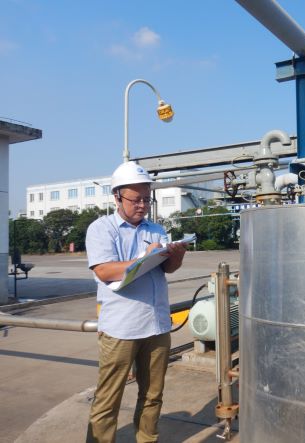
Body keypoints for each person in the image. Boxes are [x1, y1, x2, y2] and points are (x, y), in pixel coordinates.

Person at [85, 161, 186, 443]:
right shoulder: (101, 229)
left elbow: (167, 269)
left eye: (146, 199)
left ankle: (147, 439)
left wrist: (176, 255)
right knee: (108, 399)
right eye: (135, 199)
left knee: (153, 395)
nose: (142, 205)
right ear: (117, 197)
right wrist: (144, 257)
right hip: (121, 329)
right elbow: (104, 270)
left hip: (156, 325)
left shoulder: (156, 229)